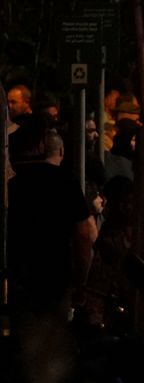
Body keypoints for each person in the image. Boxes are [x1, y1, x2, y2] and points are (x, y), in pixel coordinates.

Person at [7, 125, 95, 323]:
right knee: (52, 330)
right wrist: (82, 279)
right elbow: (83, 235)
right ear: (61, 152)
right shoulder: (67, 182)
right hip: (56, 269)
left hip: (20, 269)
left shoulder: (14, 182)